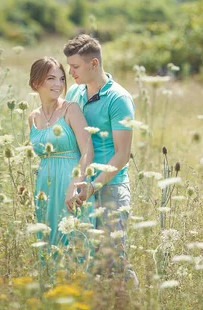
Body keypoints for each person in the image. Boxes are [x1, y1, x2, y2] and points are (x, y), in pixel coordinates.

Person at [63, 34, 139, 285]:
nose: (70, 71)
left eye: (75, 66)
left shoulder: (119, 99)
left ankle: (130, 300)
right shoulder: (75, 92)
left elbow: (122, 154)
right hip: (79, 188)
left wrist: (94, 185)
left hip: (111, 189)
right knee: (85, 259)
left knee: (113, 258)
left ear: (93, 64)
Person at [28, 57, 94, 249]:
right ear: (35, 83)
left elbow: (88, 152)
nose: (58, 84)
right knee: (48, 243)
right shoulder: (33, 117)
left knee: (73, 242)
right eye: (51, 78)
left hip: (70, 183)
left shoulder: (70, 109)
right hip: (44, 187)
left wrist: (74, 186)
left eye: (62, 79)